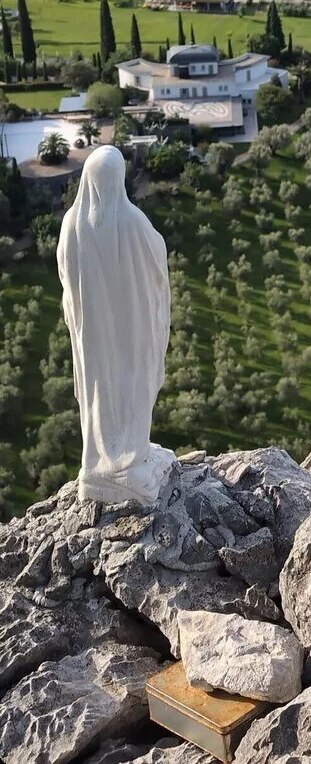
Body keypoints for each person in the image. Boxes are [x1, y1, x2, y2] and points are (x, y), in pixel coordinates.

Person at [57, 145, 174, 507]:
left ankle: (102, 463)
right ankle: (127, 459)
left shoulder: (72, 225)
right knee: (132, 386)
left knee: (99, 392)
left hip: (92, 338)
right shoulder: (133, 221)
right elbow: (157, 264)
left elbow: (66, 277)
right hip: (132, 332)